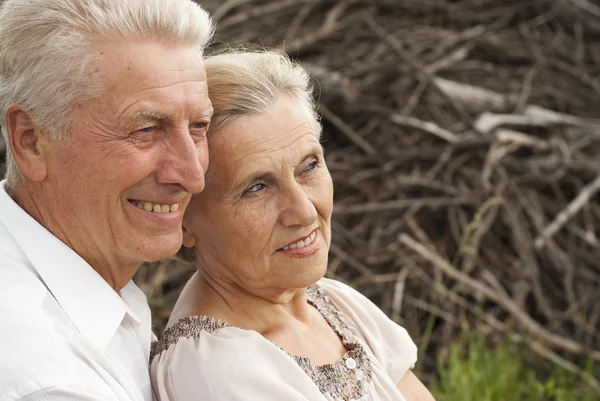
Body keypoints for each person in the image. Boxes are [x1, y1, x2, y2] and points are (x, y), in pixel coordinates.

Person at [150, 50, 436, 401]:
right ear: (184, 218)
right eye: (256, 187)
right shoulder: (216, 370)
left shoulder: (333, 304)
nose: (303, 211)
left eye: (309, 166)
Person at [0, 0, 214, 400]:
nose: (193, 175)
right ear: (30, 141)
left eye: (199, 125)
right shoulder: (51, 382)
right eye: (146, 129)